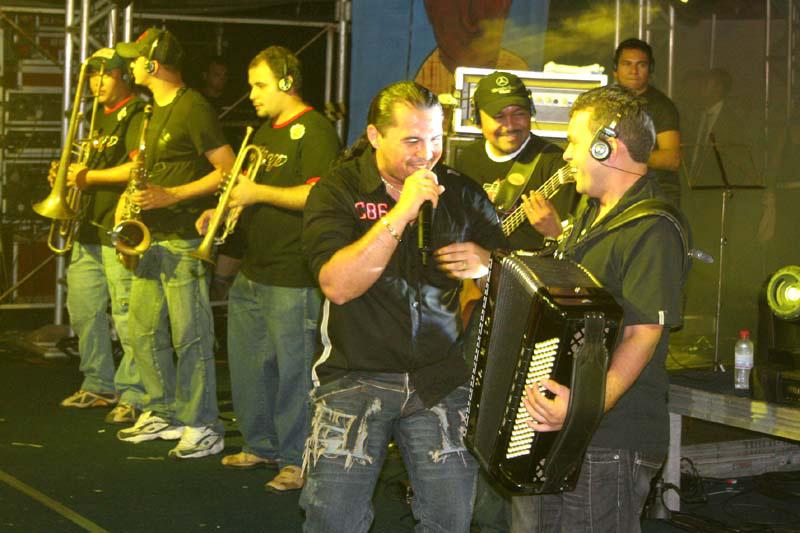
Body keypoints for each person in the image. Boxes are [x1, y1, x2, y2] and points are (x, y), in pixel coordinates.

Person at [300, 81, 507, 532]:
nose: (427, 153)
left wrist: (488, 266)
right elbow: (337, 286)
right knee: (334, 520)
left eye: (435, 138)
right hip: (354, 376)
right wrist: (402, 213)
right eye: (412, 140)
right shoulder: (338, 190)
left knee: (452, 518)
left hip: (440, 380)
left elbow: (515, 279)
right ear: (375, 136)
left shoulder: (462, 192)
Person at [513, 85, 689, 532]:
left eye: (574, 142)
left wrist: (584, 407)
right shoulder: (590, 218)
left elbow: (642, 333)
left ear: (605, 146)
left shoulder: (651, 227)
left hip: (611, 438)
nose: (567, 155)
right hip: (567, 430)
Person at [195, 46, 340, 490]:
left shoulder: (315, 129)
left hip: (293, 272)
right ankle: (260, 444)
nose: (252, 94)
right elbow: (248, 192)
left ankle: (296, 459)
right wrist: (219, 211)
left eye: (260, 85)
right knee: (249, 367)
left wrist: (256, 193)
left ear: (286, 83)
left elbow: (318, 194)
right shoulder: (262, 131)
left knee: (294, 373)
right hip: (254, 269)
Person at [453, 70, 578, 533]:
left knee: (519, 415)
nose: (510, 123)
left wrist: (554, 231)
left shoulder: (554, 163)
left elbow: (578, 251)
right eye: (499, 115)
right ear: (478, 119)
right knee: (473, 408)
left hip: (532, 311)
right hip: (474, 305)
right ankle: (479, 515)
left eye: (519, 113)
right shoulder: (463, 160)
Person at [111, 28, 236, 459]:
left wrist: (174, 195)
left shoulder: (193, 107)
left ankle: (203, 423)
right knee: (144, 330)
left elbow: (228, 169)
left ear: (153, 63)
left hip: (183, 238)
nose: (130, 65)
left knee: (190, 336)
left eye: (135, 58)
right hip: (150, 239)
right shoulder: (149, 112)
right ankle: (162, 410)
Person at [59, 48, 146, 425]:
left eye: (105, 75)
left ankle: (135, 391)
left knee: (126, 313)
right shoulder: (97, 117)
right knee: (83, 309)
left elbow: (138, 167)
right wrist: (68, 177)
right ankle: (98, 383)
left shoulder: (137, 113)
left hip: (117, 227)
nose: (96, 82)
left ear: (123, 76)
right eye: (93, 75)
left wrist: (87, 177)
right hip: (88, 227)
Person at [614, 38, 682, 205]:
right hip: (617, 193)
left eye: (641, 65)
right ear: (615, 69)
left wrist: (625, 156)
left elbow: (672, 159)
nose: (633, 71)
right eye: (627, 64)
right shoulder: (607, 102)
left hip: (655, 196)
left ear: (650, 70)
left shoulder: (662, 106)